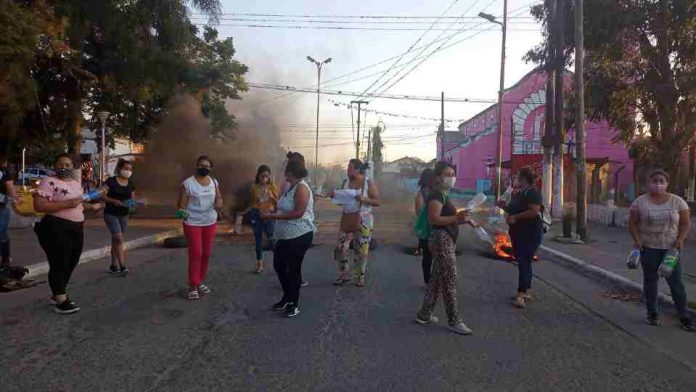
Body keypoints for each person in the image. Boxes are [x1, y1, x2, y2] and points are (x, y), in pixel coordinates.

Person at [34, 153, 105, 314]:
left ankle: (57, 291)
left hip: (76, 227)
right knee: (59, 261)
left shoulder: (75, 183)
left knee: (72, 260)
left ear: (72, 167)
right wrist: (66, 203)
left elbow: (78, 205)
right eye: (60, 164)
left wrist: (92, 207)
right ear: (54, 166)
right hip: (55, 227)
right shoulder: (48, 182)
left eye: (67, 165)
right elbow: (39, 205)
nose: (64, 167)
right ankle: (61, 298)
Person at [628, 169, 695, 331]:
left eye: (661, 181)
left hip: (671, 250)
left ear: (667, 183)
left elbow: (686, 223)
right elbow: (632, 223)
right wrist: (637, 240)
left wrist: (680, 239)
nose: (658, 184)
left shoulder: (677, 201)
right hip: (648, 248)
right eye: (654, 181)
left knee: (677, 284)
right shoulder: (640, 202)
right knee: (650, 283)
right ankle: (652, 314)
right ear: (648, 183)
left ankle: (684, 316)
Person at [415, 161, 476, 335]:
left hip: (445, 238)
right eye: (447, 175)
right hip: (441, 239)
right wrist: (456, 218)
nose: (451, 178)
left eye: (452, 174)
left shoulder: (443, 194)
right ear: (438, 177)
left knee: (436, 279)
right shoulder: (436, 195)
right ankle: (454, 320)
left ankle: (424, 314)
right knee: (449, 279)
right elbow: (434, 219)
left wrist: (462, 218)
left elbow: (449, 217)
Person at [262, 152, 315, 318]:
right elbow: (284, 207)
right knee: (279, 265)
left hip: (299, 235)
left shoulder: (302, 188)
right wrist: (273, 211)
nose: (285, 175)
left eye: (287, 172)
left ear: (293, 173)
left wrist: (274, 216)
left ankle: (294, 303)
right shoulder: (290, 187)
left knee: (293, 269)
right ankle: (286, 297)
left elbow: (298, 212)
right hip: (284, 236)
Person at [177, 155, 223, 300]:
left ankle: (199, 281)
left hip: (210, 221)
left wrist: (219, 205)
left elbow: (219, 198)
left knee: (206, 253)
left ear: (211, 168)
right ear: (196, 166)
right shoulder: (188, 183)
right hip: (192, 222)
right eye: (201, 165)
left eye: (207, 166)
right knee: (196, 252)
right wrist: (182, 214)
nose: (204, 168)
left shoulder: (214, 182)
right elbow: (180, 205)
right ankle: (192, 285)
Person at [497, 166, 544, 309]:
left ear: (523, 178)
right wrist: (504, 206)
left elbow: (534, 211)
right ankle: (525, 290)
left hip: (529, 233)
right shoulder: (519, 193)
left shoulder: (532, 192)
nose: (515, 179)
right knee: (524, 262)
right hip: (518, 233)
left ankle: (521, 294)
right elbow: (513, 209)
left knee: (524, 261)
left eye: (517, 177)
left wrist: (515, 217)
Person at [332, 159, 381, 287]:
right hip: (348, 217)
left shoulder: (367, 183)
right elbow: (340, 200)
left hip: (364, 218)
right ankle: (344, 274)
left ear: (358, 170)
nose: (348, 170)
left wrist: (363, 199)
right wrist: (336, 197)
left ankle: (359, 276)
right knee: (341, 247)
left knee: (362, 249)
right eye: (348, 167)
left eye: (350, 168)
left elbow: (377, 201)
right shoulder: (345, 182)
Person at [242, 165, 279, 274]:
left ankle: (280, 261)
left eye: (266, 176)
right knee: (258, 240)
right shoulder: (254, 187)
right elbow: (253, 203)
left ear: (269, 177)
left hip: (269, 215)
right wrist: (244, 212)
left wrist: (271, 196)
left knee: (271, 239)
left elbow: (278, 203)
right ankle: (259, 264)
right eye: (262, 176)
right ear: (258, 176)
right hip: (257, 215)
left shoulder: (272, 187)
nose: (264, 178)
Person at [102, 159, 136, 274]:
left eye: (130, 169)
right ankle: (122, 266)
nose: (128, 171)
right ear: (119, 169)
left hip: (124, 215)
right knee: (119, 238)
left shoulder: (131, 184)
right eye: (126, 168)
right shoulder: (111, 181)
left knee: (116, 239)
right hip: (111, 213)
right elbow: (102, 196)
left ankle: (113, 265)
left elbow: (132, 200)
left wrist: (133, 205)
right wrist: (113, 201)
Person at [414, 168, 435, 284]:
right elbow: (419, 210)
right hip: (430, 228)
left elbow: (418, 211)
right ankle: (431, 281)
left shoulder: (422, 192)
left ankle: (429, 280)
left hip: (426, 229)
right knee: (429, 256)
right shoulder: (425, 192)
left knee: (427, 257)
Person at [0, 155, 20, 269]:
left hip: (2, 206)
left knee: (1, 232)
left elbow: (10, 187)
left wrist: (16, 199)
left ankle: (5, 258)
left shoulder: (5, 172)